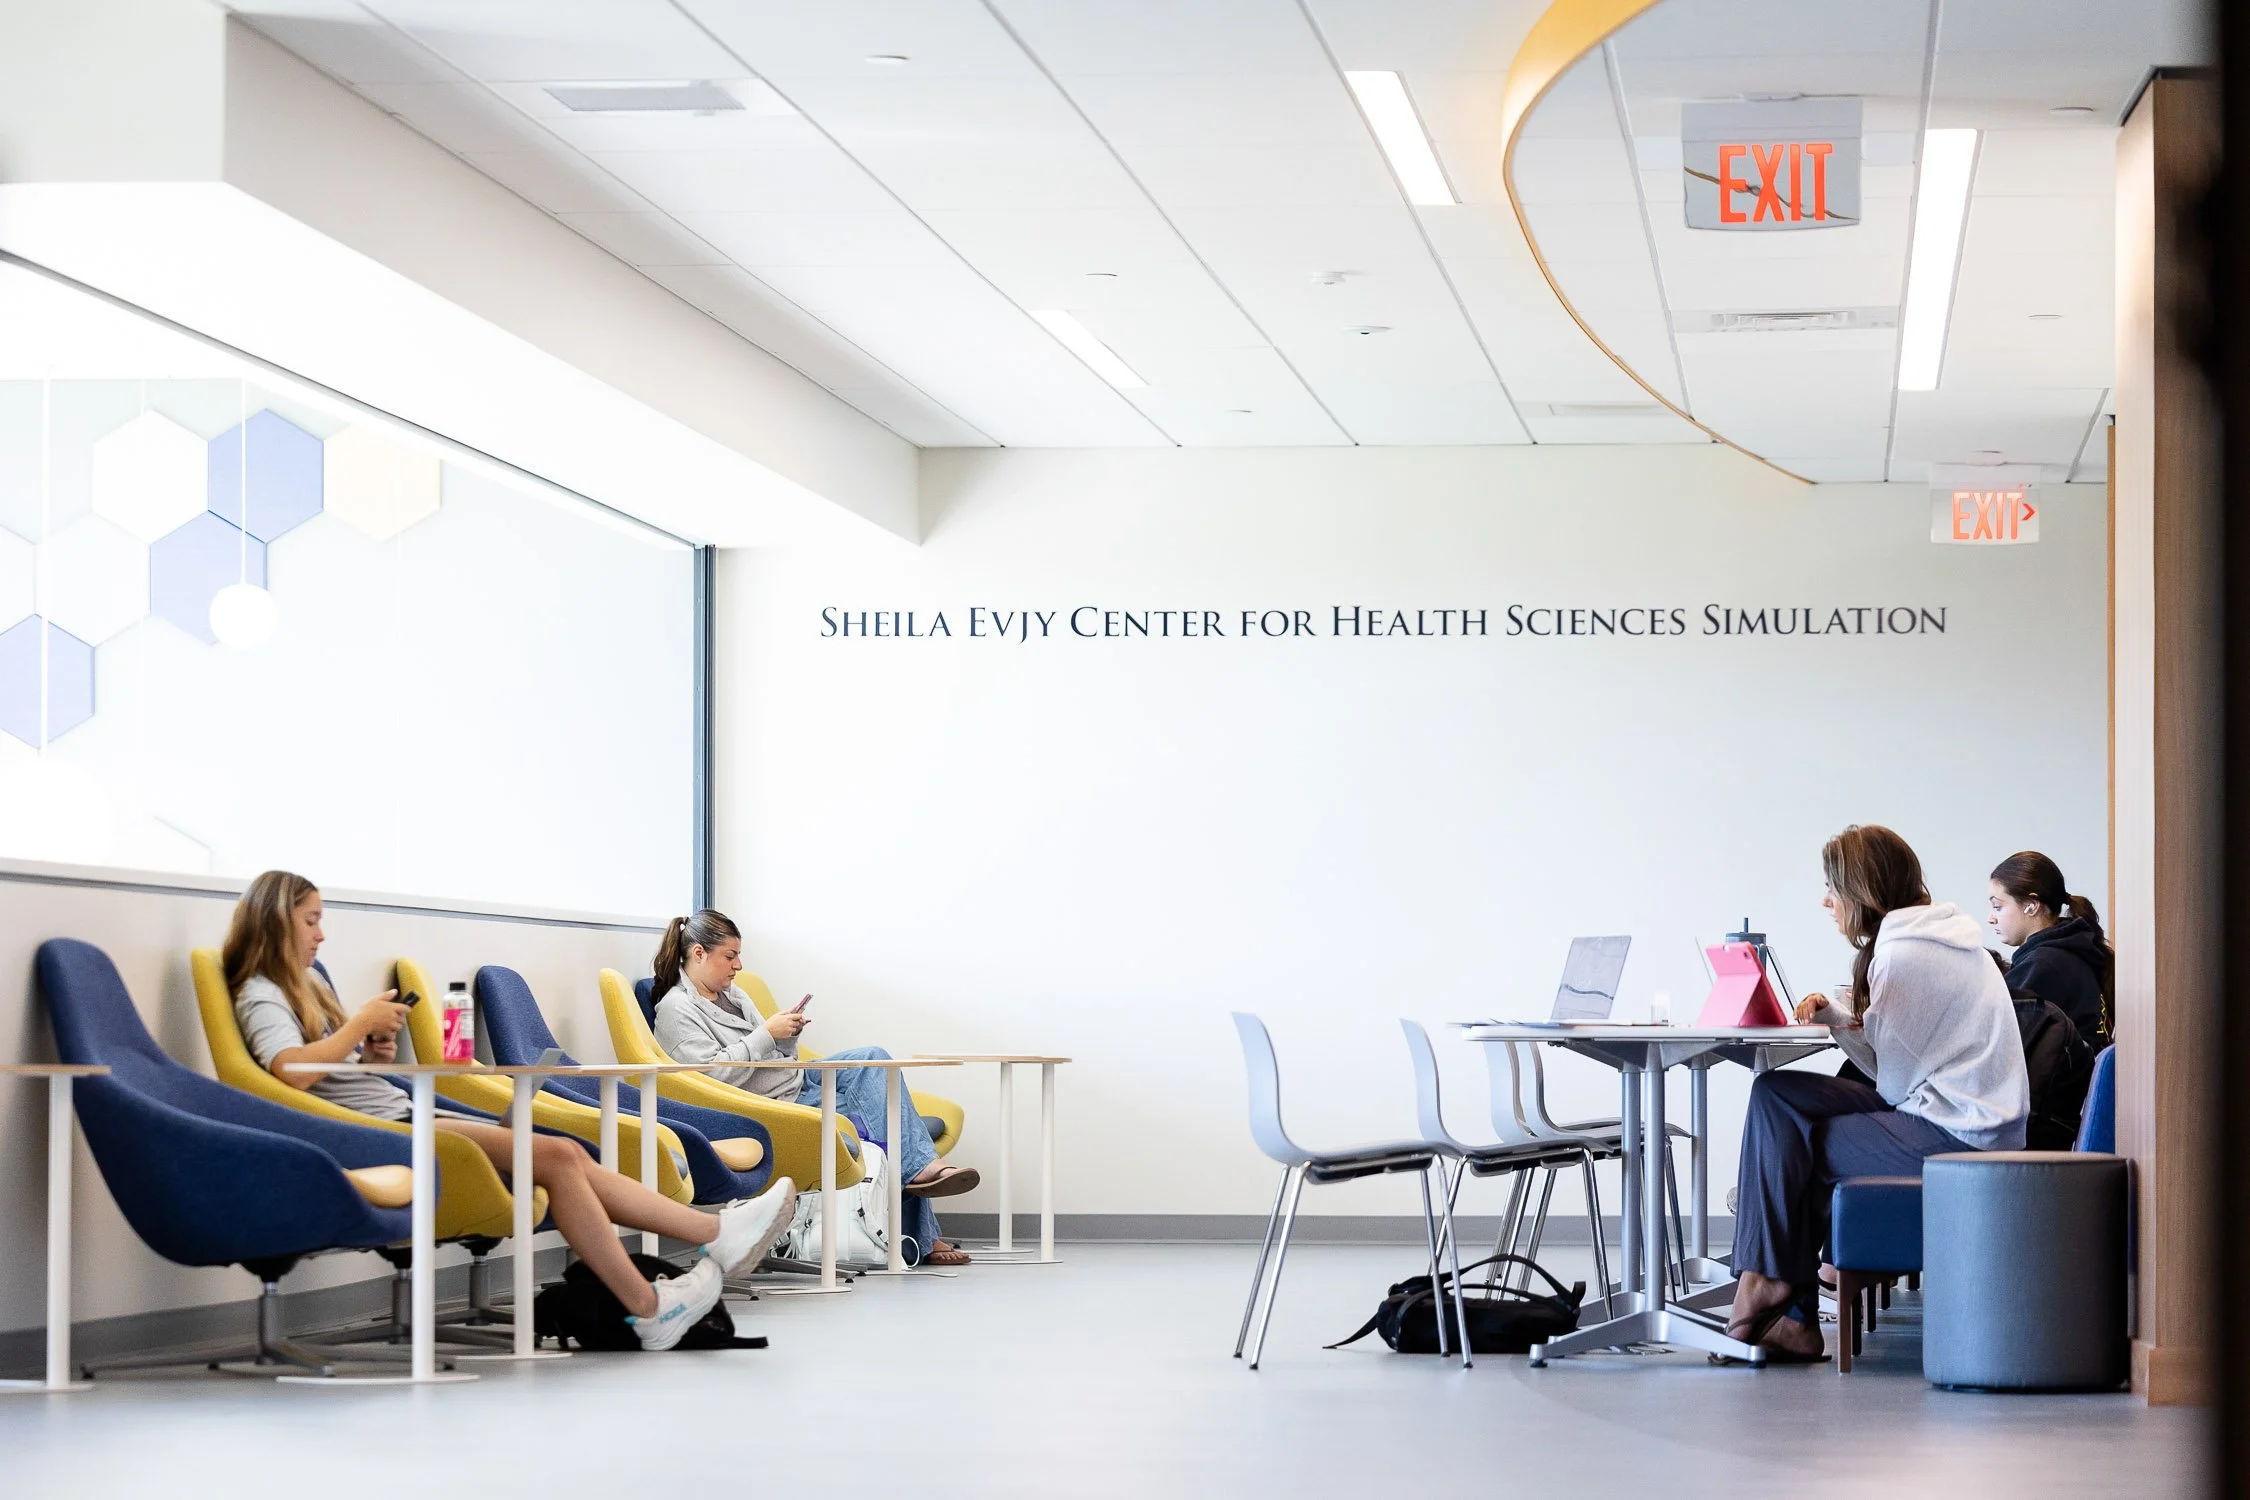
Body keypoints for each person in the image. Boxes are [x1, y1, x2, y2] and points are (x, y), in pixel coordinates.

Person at [225, 871, 798, 1350]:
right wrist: (356, 1028)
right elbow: (287, 1070)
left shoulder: (302, 987)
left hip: (398, 1113)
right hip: (379, 1131)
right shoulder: (259, 990)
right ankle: (666, 1286)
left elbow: (327, 1069)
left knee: (564, 1153)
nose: (321, 934)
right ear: (276, 922)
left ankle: (694, 1254)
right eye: (310, 920)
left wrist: (371, 1051)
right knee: (555, 1154)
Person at [1723, 826, 2029, 1363]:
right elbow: (1900, 1067)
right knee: (1777, 1095)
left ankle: (1768, 1289)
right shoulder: (1938, 936)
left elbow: (1891, 1082)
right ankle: (1776, 1295)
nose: (1825, 900)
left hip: (1958, 1132)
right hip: (1959, 1112)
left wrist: (1848, 1024)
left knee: (1792, 1132)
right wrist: (1841, 1020)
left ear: (1860, 888)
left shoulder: (1903, 955)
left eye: (1831, 887)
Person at [650, 909, 978, 1267]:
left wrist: (787, 1036)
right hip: (769, 1102)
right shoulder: (676, 1009)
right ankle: (924, 1219)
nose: (738, 965)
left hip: (797, 1079)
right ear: (698, 953)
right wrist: (766, 1034)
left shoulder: (735, 996)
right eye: (730, 956)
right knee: (883, 1122)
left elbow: (772, 1052)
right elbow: (710, 1078)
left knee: (873, 1058)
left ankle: (921, 1175)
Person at [1987, 850, 2114, 1046]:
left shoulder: (2043, 964)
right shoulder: (2071, 950)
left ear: (2031, 905)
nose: (1991, 918)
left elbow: (1997, 1041)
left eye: (1998, 907)